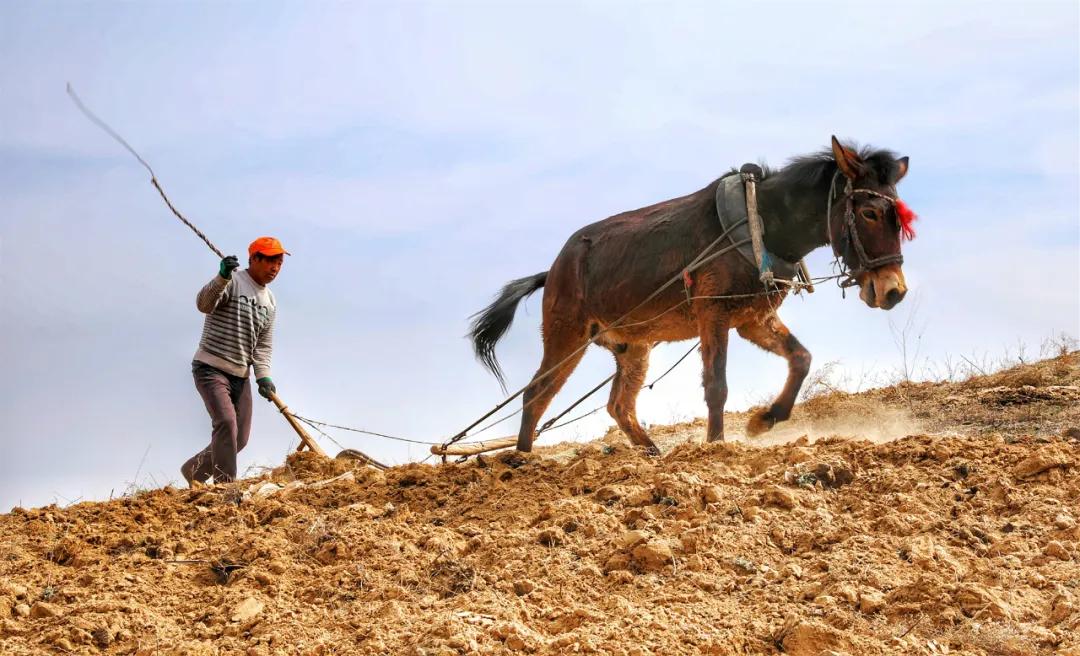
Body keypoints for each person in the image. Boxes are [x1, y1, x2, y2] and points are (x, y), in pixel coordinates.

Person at [181, 237, 288, 486]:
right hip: (211, 367)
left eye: (279, 263)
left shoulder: (269, 301)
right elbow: (203, 305)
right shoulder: (233, 281)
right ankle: (226, 490)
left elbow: (262, 346)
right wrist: (222, 277)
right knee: (226, 423)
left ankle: (194, 471)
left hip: (240, 375)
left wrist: (263, 377)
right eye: (271, 260)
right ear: (254, 259)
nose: (275, 268)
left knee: (238, 439)